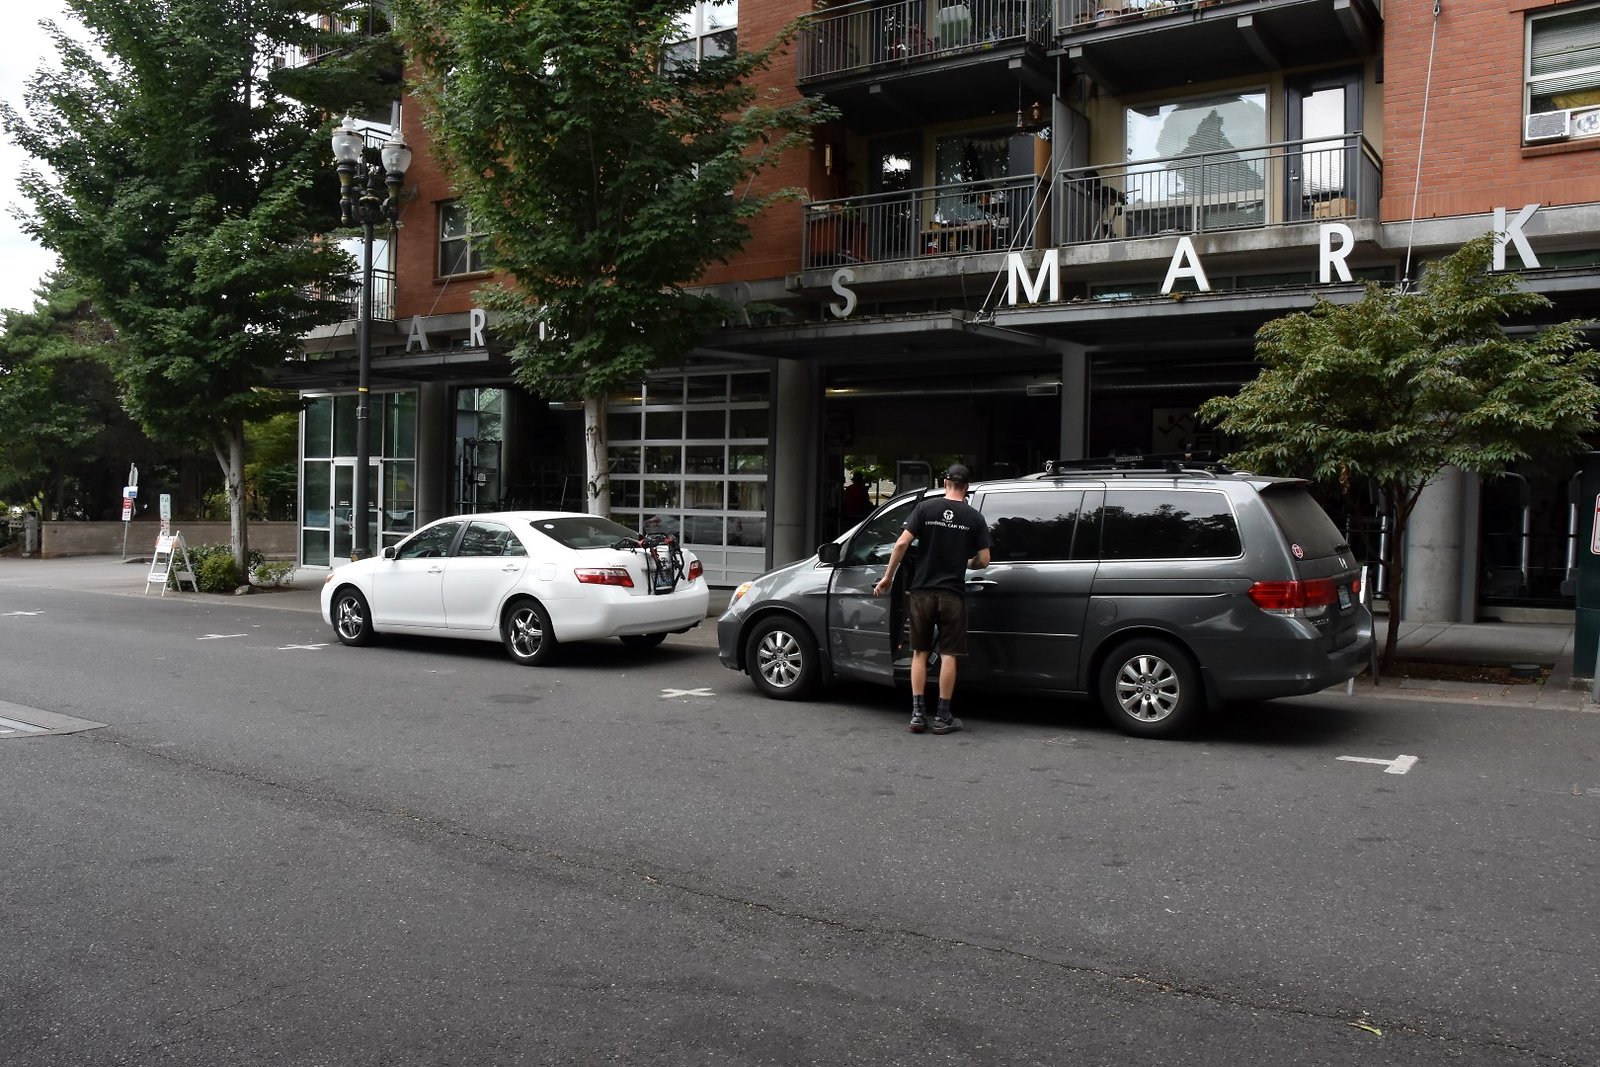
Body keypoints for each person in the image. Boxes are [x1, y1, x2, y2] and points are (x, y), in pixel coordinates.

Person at [871, 464, 991, 734]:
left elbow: (901, 543)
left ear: (945, 483)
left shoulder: (926, 508)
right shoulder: (974, 517)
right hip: (952, 594)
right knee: (948, 655)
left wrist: (888, 577)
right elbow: (984, 560)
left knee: (919, 653)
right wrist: (967, 562)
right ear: (967, 487)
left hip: (922, 591)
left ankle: (917, 714)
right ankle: (943, 717)